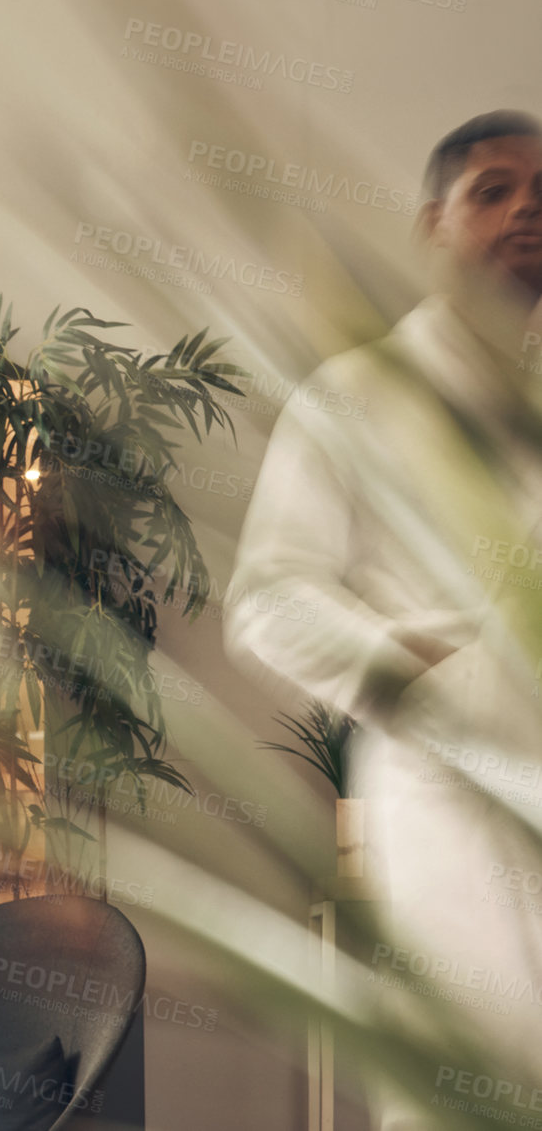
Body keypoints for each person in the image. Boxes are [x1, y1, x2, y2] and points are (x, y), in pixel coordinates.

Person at [226, 110, 542, 1128]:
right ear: (432, 223)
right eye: (491, 190)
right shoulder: (356, 397)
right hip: (446, 802)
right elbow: (267, 599)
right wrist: (408, 663)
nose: (525, 210)